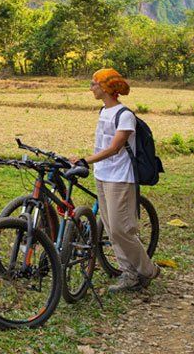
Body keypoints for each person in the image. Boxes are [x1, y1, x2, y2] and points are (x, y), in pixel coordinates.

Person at [78, 67, 160, 293]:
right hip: (102, 175)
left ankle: (148, 270)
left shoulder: (124, 115)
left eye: (94, 83)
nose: (91, 87)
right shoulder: (103, 111)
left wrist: (86, 159)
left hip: (120, 178)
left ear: (106, 87)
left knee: (121, 228)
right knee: (112, 230)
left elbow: (114, 149)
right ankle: (129, 273)